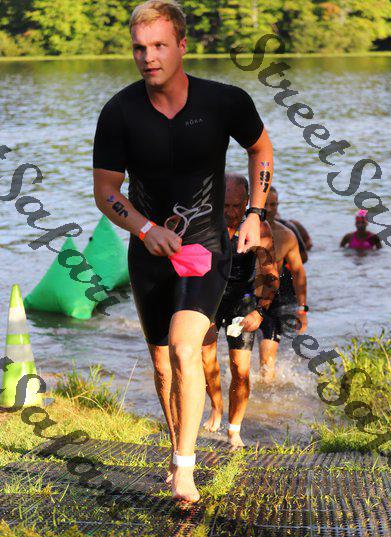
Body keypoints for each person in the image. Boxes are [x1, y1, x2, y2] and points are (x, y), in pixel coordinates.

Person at [92, 0, 274, 502]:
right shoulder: (119, 112)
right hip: (149, 254)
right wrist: (144, 228)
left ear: (182, 46)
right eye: (139, 48)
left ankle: (185, 468)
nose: (148, 57)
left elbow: (260, 148)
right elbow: (106, 190)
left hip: (205, 247)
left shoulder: (223, 102)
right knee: (161, 365)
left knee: (184, 348)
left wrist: (255, 213)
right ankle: (178, 449)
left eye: (159, 45)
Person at [202, 174, 279, 445]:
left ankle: (234, 429)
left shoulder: (260, 228)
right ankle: (216, 406)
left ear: (247, 201)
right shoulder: (205, 223)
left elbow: (271, 275)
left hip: (242, 300)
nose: (232, 212)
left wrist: (260, 311)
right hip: (209, 298)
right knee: (206, 361)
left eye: (237, 206)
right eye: (225, 206)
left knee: (241, 369)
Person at [258, 188, 308, 383]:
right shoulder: (240, 230)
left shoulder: (286, 235)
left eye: (273, 204)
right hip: (244, 298)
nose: (269, 209)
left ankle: (267, 394)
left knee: (268, 360)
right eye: (265, 204)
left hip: (272, 300)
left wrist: (302, 310)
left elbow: (298, 272)